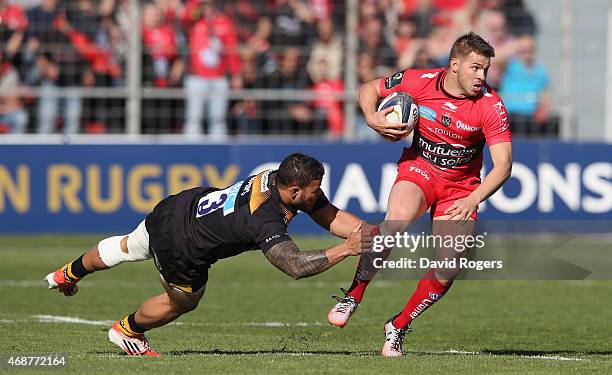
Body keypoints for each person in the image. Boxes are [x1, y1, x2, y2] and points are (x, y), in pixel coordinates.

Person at [45, 153, 372, 356]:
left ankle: (68, 273)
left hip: (177, 207)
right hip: (182, 247)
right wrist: (347, 248)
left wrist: (370, 233)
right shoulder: (266, 217)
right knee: (184, 302)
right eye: (314, 189)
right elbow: (294, 265)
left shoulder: (281, 180)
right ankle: (127, 331)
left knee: (128, 246)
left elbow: (329, 215)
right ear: (295, 191)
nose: (318, 194)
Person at [327, 32, 513, 357]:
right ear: (454, 65)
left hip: (461, 188)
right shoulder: (419, 81)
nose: (482, 76)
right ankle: (354, 295)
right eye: (475, 68)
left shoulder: (490, 106)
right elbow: (369, 88)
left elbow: (503, 166)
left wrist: (473, 199)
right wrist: (371, 117)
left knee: (449, 267)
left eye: (485, 69)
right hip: (420, 170)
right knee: (394, 224)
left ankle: (398, 325)